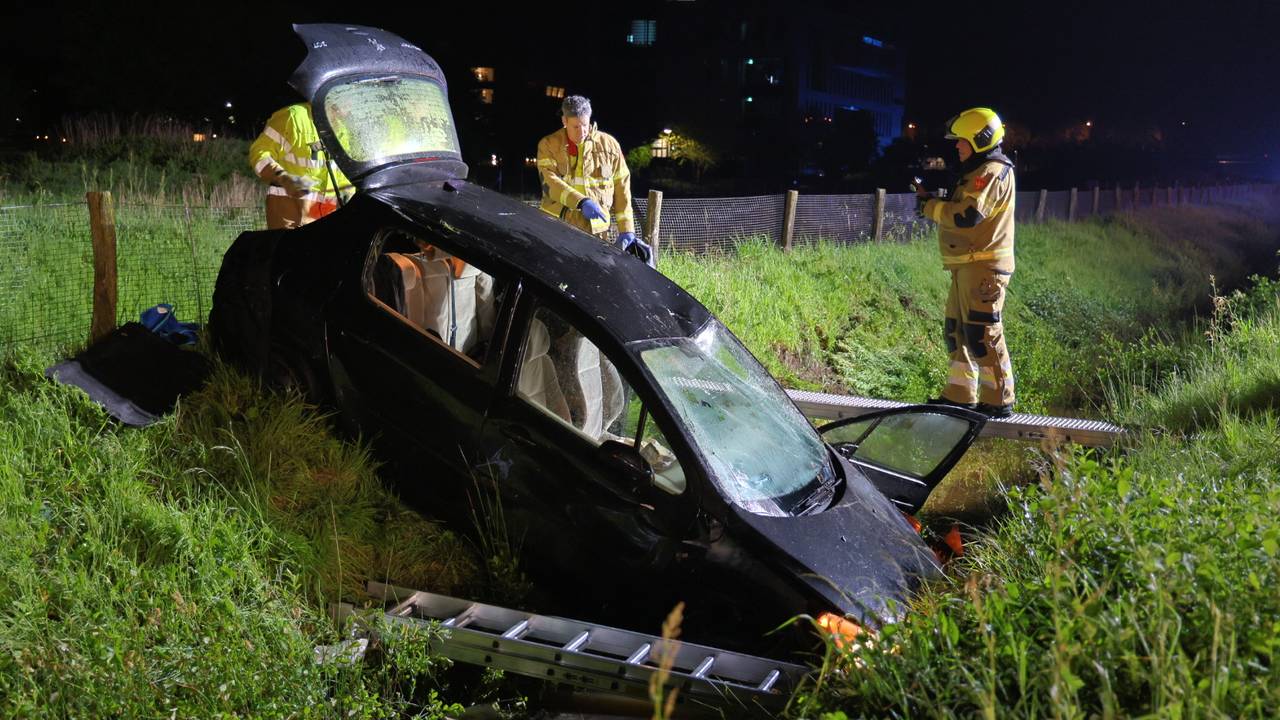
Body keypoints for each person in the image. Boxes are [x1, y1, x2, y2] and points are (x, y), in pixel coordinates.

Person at [917, 107, 1017, 418]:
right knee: (957, 331)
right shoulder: (978, 170)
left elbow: (968, 215)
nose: (957, 146)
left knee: (982, 333)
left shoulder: (991, 172)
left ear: (980, 139)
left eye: (962, 140)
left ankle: (999, 400)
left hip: (984, 268)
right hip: (969, 265)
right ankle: (960, 396)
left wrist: (930, 207)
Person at [536, 95, 652, 266]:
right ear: (564, 121)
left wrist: (626, 229)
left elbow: (622, 188)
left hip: (597, 231)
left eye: (585, 125)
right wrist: (581, 202)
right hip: (558, 226)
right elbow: (550, 183)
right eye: (576, 126)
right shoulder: (548, 145)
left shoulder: (609, 145)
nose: (581, 131)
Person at [249, 103, 353, 230]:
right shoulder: (292, 117)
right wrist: (283, 177)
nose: (352, 104)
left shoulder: (343, 129)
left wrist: (348, 196)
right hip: (289, 219)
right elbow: (259, 155)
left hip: (325, 219)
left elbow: (342, 174)